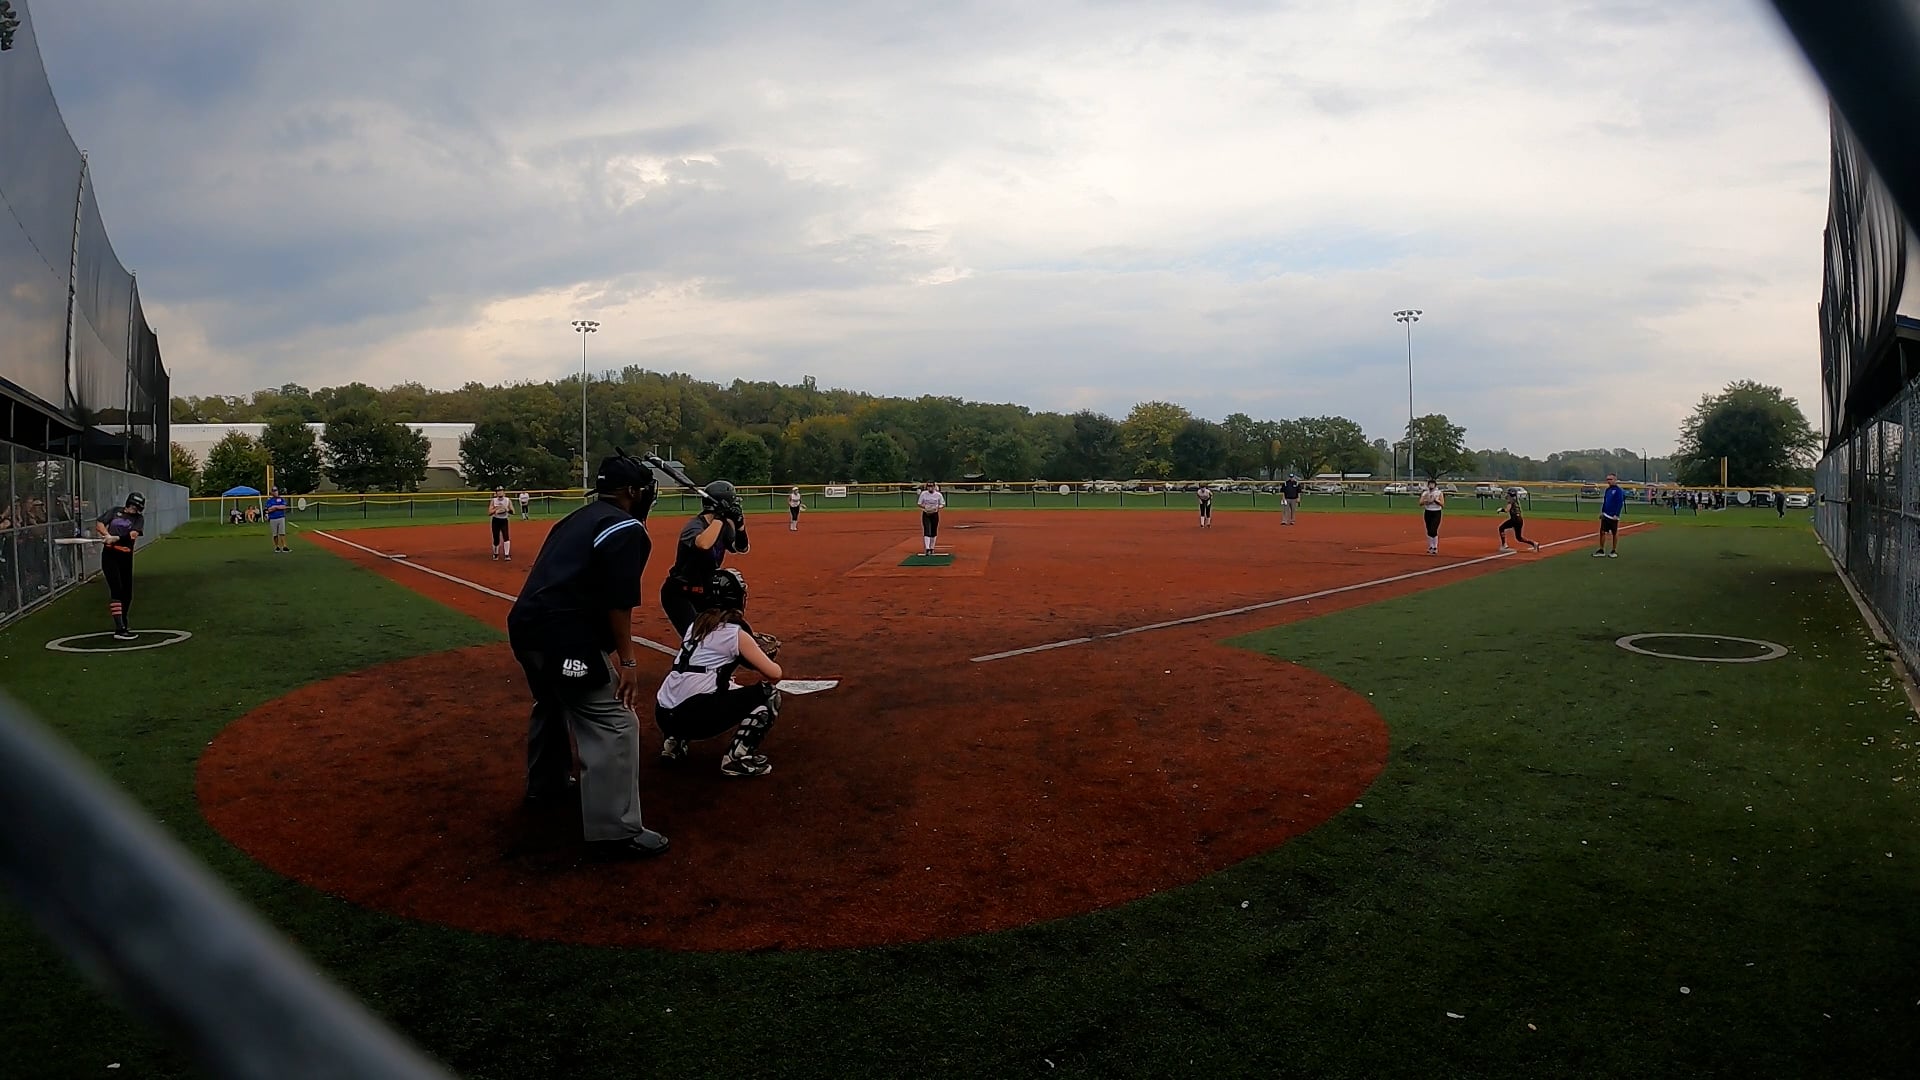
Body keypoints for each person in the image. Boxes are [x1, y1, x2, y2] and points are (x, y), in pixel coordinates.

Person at [506, 451, 666, 860]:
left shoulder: (575, 519)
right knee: (615, 722)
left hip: (525, 626)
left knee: (552, 702)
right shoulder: (626, 528)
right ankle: (616, 831)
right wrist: (628, 661)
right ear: (632, 492)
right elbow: (618, 601)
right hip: (562, 636)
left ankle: (547, 784)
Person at [655, 568, 785, 777]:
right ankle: (736, 759)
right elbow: (774, 674)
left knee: (709, 683)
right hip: (693, 717)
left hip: (663, 714)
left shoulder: (695, 626)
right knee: (769, 694)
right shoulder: (734, 633)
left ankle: (674, 744)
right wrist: (763, 654)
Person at [661, 479, 749, 638]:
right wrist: (720, 517)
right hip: (681, 593)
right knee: (697, 638)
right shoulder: (695, 526)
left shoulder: (724, 526)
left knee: (721, 633)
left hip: (705, 592)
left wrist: (740, 526)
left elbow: (741, 548)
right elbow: (703, 544)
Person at [95, 492, 145, 640]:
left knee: (127, 593)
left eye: (137, 508)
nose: (135, 510)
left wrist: (116, 538)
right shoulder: (115, 511)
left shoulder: (139, 519)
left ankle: (123, 621)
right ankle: (120, 628)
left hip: (125, 557)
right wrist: (106, 535)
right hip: (110, 556)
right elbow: (99, 523)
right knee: (116, 589)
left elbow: (132, 535)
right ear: (128, 504)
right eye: (133, 507)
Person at [1497, 488, 1540, 554]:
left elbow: (1507, 510)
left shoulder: (1511, 501)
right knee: (1519, 538)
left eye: (1508, 494)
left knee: (1501, 528)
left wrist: (1501, 510)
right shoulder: (1516, 501)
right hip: (1520, 520)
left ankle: (1504, 546)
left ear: (1511, 494)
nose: (1507, 495)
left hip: (1514, 519)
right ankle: (1534, 543)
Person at [1595, 473, 1627, 558]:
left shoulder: (1618, 491)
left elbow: (1619, 503)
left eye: (1610, 479)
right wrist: (1602, 512)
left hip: (1613, 516)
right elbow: (1605, 501)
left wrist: (1616, 514)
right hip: (1606, 514)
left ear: (1615, 480)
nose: (1609, 481)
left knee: (1614, 533)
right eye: (1608, 479)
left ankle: (1613, 550)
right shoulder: (1607, 490)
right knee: (1602, 532)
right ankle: (1601, 550)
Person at [917, 481, 945, 555]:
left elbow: (943, 504)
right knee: (927, 529)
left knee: (933, 530)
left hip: (935, 514)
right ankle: (927, 548)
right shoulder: (923, 494)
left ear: (934, 487)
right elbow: (919, 503)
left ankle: (932, 547)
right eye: (929, 486)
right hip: (926, 514)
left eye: (931, 486)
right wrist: (926, 507)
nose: (930, 488)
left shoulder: (938, 495)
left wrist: (937, 507)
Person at [1418, 479, 1444, 556]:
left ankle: (1435, 547)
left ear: (1435, 485)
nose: (1431, 486)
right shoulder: (1425, 493)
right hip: (1428, 512)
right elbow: (1420, 503)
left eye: (1432, 484)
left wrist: (1436, 501)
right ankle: (1430, 546)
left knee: (1433, 529)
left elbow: (1442, 504)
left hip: (1436, 512)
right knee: (1429, 529)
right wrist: (1427, 501)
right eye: (1430, 484)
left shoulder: (1439, 493)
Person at [488, 487, 514, 561]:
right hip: (496, 521)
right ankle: (495, 553)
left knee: (506, 536)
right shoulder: (494, 500)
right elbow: (489, 513)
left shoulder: (507, 500)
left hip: (504, 520)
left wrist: (507, 509)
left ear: (504, 492)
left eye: (501, 491)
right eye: (498, 491)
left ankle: (507, 555)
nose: (500, 492)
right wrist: (496, 509)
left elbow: (513, 512)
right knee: (496, 538)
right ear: (496, 493)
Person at [264, 487, 291, 553]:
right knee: (275, 534)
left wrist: (275, 507)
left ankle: (284, 546)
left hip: (281, 517)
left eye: (276, 490)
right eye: (274, 491)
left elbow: (283, 507)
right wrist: (277, 507)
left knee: (282, 533)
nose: (275, 492)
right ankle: (277, 547)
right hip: (273, 518)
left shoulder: (281, 499)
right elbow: (268, 510)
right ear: (272, 492)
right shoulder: (270, 500)